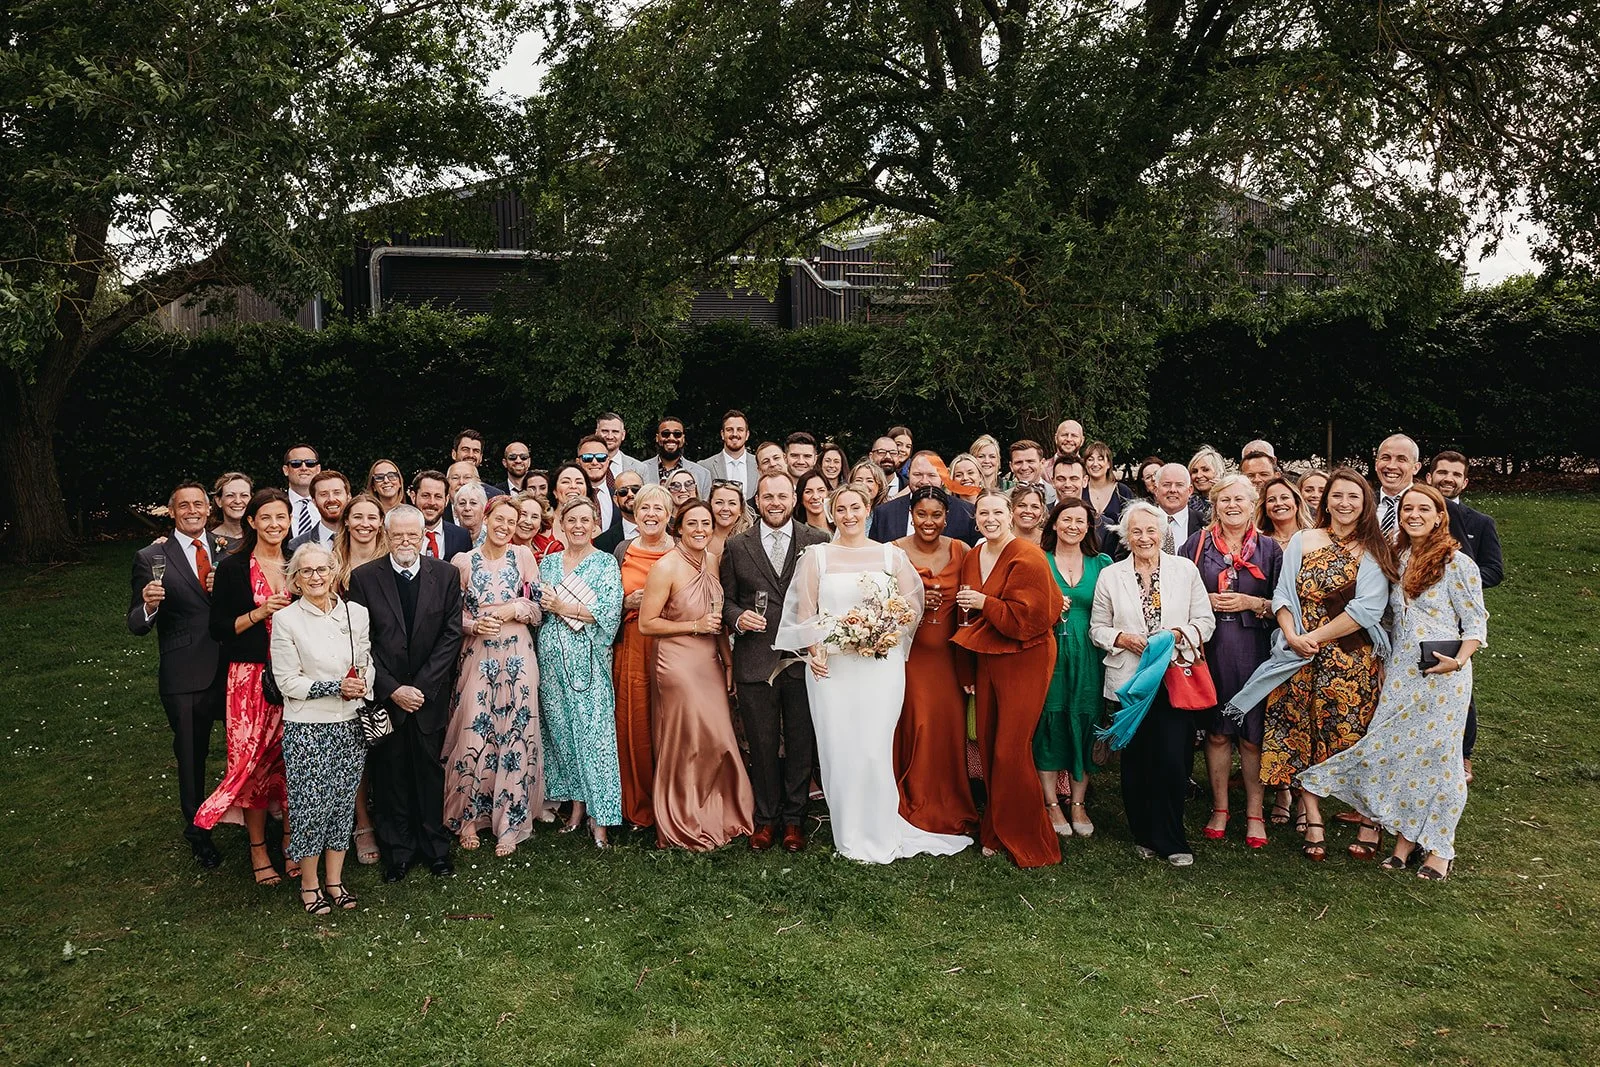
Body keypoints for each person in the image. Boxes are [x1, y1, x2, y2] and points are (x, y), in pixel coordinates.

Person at [1297, 483, 1487, 881]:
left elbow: (1475, 625)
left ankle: (1440, 848)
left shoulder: (1458, 563)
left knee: (1441, 761)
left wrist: (1458, 661)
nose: (1413, 515)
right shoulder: (1397, 558)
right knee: (1396, 753)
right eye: (1406, 510)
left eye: (1423, 509)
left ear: (1439, 516)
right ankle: (1404, 839)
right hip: (1401, 673)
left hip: (1444, 678)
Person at [773, 485, 970, 864]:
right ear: (832, 514)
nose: (849, 515)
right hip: (833, 669)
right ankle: (849, 832)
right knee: (839, 747)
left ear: (868, 511)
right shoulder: (817, 557)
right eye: (841, 508)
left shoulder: (890, 556)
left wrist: (883, 632)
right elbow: (804, 615)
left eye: (855, 507)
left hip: (880, 666)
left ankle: (880, 826)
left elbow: (909, 607)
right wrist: (814, 652)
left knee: (874, 748)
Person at [1228, 467, 1396, 861]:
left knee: (1351, 736)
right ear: (1325, 501)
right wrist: (1291, 635)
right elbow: (1284, 593)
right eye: (1337, 496)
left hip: (1349, 658)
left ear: (1365, 503)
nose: (1344, 503)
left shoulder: (1374, 548)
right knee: (1301, 733)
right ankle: (1314, 818)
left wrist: (1315, 639)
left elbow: (1366, 609)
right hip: (1297, 658)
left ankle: (1370, 819)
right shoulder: (1304, 539)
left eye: (1353, 497)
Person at [1089, 501, 1216, 866]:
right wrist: (1122, 638)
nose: (1144, 537)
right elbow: (1097, 627)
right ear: (1127, 537)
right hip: (1131, 681)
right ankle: (1144, 833)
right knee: (1138, 761)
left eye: (1151, 530)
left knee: (1174, 759)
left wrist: (1179, 633)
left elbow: (1205, 621)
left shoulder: (1185, 570)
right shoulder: (1112, 575)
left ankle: (1173, 838)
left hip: (1174, 676)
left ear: (1163, 533)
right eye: (1137, 531)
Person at [346, 505, 465, 881]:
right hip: (387, 695)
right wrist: (393, 689)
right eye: (397, 535)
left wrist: (422, 688)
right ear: (386, 535)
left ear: (423, 535)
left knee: (430, 772)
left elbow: (451, 634)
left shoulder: (445, 575)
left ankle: (435, 849)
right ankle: (397, 852)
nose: (405, 542)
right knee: (390, 774)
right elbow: (361, 641)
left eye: (412, 535)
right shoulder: (365, 578)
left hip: (429, 695)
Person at [950, 490, 1062, 867]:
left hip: (1024, 659)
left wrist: (987, 604)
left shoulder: (1027, 556)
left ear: (1011, 515)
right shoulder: (972, 555)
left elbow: (1030, 619)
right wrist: (966, 669)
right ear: (975, 517)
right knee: (988, 741)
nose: (990, 518)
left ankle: (1031, 838)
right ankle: (994, 830)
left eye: (998, 511)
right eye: (983, 512)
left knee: (1010, 749)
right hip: (985, 660)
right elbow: (963, 616)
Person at [721, 473, 831, 851]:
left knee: (802, 742)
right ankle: (765, 819)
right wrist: (738, 618)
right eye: (767, 496)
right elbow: (727, 600)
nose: (775, 502)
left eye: (782, 495)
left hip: (802, 661)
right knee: (763, 744)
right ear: (757, 499)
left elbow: (827, 600)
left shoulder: (818, 541)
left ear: (793, 498)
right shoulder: (737, 546)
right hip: (756, 658)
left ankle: (794, 821)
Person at [638, 501, 756, 849]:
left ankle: (720, 811)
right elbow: (647, 623)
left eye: (706, 522)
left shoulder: (713, 561)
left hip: (709, 660)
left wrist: (729, 660)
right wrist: (693, 626)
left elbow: (717, 618)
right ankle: (683, 816)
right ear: (679, 527)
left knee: (718, 738)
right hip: (676, 662)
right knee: (689, 739)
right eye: (693, 523)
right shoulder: (666, 567)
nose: (701, 529)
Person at [1180, 475, 1283, 849]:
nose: (1232, 505)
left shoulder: (1270, 549)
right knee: (1218, 730)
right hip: (1212, 648)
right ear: (1215, 505)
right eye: (1225, 500)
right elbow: (1178, 591)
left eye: (1240, 499)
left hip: (1255, 649)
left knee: (1252, 735)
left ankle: (1255, 811)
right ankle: (1220, 807)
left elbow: (1287, 606)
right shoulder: (1197, 544)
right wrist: (1203, 599)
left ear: (1253, 503)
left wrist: (1252, 603)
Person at [269, 544, 373, 915]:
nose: (316, 577)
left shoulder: (355, 614)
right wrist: (332, 688)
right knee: (312, 807)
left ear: (334, 572)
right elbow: (287, 682)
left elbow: (365, 659)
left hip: (350, 724)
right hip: (308, 728)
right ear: (295, 580)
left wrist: (363, 683)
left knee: (343, 805)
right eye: (306, 571)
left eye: (322, 569)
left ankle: (335, 881)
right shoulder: (286, 621)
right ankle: (309, 884)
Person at [129, 482, 226, 867]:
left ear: (208, 510)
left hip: (232, 668)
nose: (192, 511)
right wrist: (149, 606)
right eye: (183, 505)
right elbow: (135, 623)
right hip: (185, 673)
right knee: (191, 754)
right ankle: (198, 831)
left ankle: (256, 822)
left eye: (198, 505)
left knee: (245, 748)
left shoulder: (228, 548)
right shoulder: (151, 556)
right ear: (172, 511)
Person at [198, 488, 292, 884]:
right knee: (251, 763)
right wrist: (259, 612)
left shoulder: (297, 563)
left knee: (290, 761)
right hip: (250, 678)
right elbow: (219, 628)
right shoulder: (235, 567)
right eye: (266, 517)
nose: (274, 525)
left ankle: (292, 843)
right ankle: (257, 850)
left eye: (281, 517)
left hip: (293, 676)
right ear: (252, 522)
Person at [443, 497, 544, 858]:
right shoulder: (463, 562)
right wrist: (474, 624)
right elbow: (450, 615)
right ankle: (468, 818)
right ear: (486, 518)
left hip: (518, 654)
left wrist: (511, 608)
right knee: (475, 727)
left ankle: (509, 822)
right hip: (478, 655)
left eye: (511, 521)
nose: (504, 526)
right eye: (499, 519)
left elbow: (537, 607)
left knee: (515, 733)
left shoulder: (524, 557)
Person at [537, 496, 625, 848]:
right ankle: (575, 809)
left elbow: (609, 611)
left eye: (584, 520)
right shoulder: (548, 563)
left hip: (588, 661)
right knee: (563, 736)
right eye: (570, 520)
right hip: (551, 663)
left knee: (595, 739)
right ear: (560, 523)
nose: (577, 526)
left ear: (595, 525)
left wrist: (564, 606)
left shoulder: (604, 563)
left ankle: (601, 819)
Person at [892, 487, 980, 836]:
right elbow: (879, 602)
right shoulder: (893, 552)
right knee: (917, 725)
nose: (929, 522)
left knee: (948, 729)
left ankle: (950, 801)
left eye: (936, 515)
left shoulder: (962, 550)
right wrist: (911, 602)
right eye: (922, 514)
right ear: (911, 514)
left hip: (949, 656)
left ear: (947, 517)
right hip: (909, 658)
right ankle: (913, 798)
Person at [1034, 498, 1111, 838]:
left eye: (1081, 521)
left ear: (1088, 527)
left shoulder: (1103, 563)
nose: (1073, 526)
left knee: (1086, 718)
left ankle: (1078, 802)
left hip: (1089, 654)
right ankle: (1051, 802)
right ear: (1053, 523)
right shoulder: (1038, 560)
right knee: (1049, 720)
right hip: (1048, 652)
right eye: (1066, 519)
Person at [1428, 449, 1503, 783]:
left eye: (1455, 474)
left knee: (1457, 683)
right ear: (1429, 476)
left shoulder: (1480, 523)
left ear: (1465, 481)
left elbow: (1494, 570)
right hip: (1415, 613)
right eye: (1442, 472)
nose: (1448, 478)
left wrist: (1456, 585)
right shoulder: (1415, 514)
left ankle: (1463, 754)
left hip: (1455, 618)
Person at [611, 483, 675, 830]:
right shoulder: (623, 550)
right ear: (635, 514)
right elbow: (607, 600)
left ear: (669, 515)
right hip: (633, 643)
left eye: (658, 509)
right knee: (634, 721)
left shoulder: (680, 551)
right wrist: (626, 603)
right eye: (644, 508)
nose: (651, 515)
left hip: (670, 643)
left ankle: (671, 803)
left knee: (669, 722)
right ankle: (637, 802)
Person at [330, 493, 387, 865]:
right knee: (355, 748)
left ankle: (386, 814)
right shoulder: (333, 565)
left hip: (389, 662)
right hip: (346, 664)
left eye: (372, 517)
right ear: (346, 521)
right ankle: (360, 822)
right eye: (358, 517)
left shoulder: (390, 560)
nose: (366, 523)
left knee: (383, 744)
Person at [870, 451, 978, 545]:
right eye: (918, 474)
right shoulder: (884, 513)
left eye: (931, 475)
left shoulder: (967, 512)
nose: (924, 481)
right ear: (908, 473)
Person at [642, 415, 713, 498]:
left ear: (683, 438)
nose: (671, 438)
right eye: (665, 434)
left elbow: (703, 508)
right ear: (657, 438)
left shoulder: (702, 474)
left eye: (677, 434)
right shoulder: (641, 469)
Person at [409, 469, 470, 561]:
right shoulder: (401, 535)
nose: (432, 502)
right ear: (413, 497)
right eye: (426, 495)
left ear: (446, 500)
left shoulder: (462, 536)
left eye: (438, 497)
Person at [577, 434, 624, 551]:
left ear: (608, 461)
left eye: (601, 457)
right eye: (588, 458)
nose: (594, 462)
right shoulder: (569, 497)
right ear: (578, 462)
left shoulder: (621, 496)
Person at [287, 470, 350, 554]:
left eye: (337, 493)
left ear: (349, 497)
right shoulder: (297, 546)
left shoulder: (363, 539)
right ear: (314, 501)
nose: (331, 499)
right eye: (323, 494)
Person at [1373, 433, 1422, 539]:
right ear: (1376, 464)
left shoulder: (1435, 505)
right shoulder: (1362, 503)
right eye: (1386, 458)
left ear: (1416, 468)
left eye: (1401, 459)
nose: (1391, 466)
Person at [701, 409, 755, 499]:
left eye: (740, 430)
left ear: (747, 435)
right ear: (722, 434)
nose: (734, 434)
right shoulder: (705, 467)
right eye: (729, 430)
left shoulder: (759, 465)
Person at [1153, 462, 1205, 552]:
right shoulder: (1140, 521)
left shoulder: (1205, 523)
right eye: (1166, 484)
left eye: (1179, 485)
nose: (1173, 490)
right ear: (1156, 490)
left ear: (1190, 490)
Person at [1081, 444, 1132, 527]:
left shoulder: (1123, 492)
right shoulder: (1080, 491)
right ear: (1086, 464)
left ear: (1108, 464)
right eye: (1090, 459)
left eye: (1100, 459)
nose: (1095, 464)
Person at [1257, 475, 1310, 549]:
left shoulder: (1312, 537)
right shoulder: (1258, 543)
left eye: (1285, 497)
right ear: (1265, 508)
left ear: (1297, 503)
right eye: (1271, 500)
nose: (1278, 503)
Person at [283, 443, 322, 543]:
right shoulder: (276, 504)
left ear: (318, 469)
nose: (304, 468)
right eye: (296, 463)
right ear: (286, 470)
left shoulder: (329, 504)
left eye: (310, 463)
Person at [210, 472, 252, 557]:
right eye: (230, 495)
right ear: (219, 501)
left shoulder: (259, 535)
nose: (238, 501)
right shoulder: (208, 539)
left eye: (244, 495)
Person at [708, 480, 753, 554]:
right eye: (719, 502)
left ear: (741, 510)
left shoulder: (751, 541)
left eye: (732, 503)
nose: (725, 508)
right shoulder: (699, 537)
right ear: (710, 505)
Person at [596, 411, 646, 478]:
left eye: (615, 432)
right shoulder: (585, 465)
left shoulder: (639, 468)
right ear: (596, 433)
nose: (609, 436)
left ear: (623, 435)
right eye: (605, 431)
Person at [1007, 440, 1055, 504]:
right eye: (1019, 462)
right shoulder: (1004, 498)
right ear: (1011, 466)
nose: (1024, 467)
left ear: (1042, 463)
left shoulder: (1058, 494)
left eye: (1030, 461)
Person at [794, 469, 834, 534]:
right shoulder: (797, 533)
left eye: (821, 490)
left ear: (828, 494)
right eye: (808, 492)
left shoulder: (840, 528)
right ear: (800, 498)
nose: (815, 497)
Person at [451, 480, 488, 549]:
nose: (467, 508)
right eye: (462, 503)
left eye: (473, 503)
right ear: (455, 511)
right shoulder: (449, 537)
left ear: (484, 509)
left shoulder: (492, 538)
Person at [611, 469, 644, 542]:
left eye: (636, 489)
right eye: (623, 491)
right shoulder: (601, 543)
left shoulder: (669, 530)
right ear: (616, 500)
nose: (630, 494)